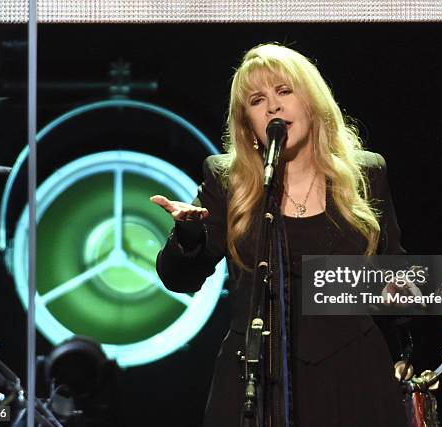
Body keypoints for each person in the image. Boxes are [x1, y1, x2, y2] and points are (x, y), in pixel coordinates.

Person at [152, 43, 408, 427]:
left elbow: (398, 286)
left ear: (311, 102)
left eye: (284, 91)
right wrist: (188, 235)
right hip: (255, 379)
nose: (272, 107)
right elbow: (179, 278)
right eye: (257, 100)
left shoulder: (365, 175)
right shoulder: (229, 181)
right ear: (248, 125)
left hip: (353, 376)